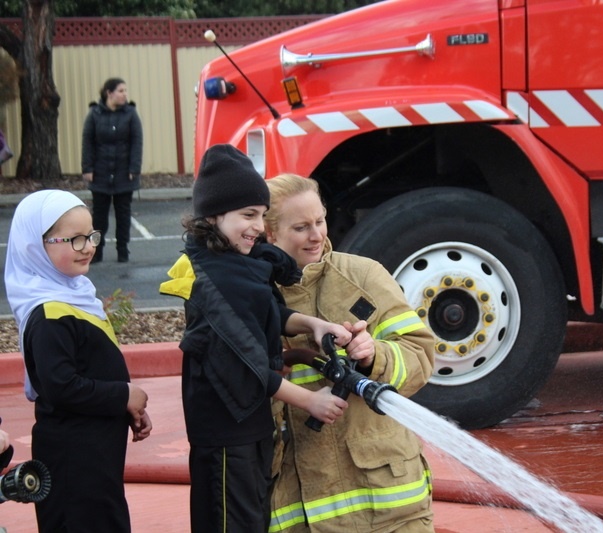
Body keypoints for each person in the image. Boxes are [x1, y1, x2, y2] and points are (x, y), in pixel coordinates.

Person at [159, 145, 353, 533]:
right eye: (247, 215)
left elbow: (263, 312)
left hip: (248, 423)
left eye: (262, 215)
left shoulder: (231, 262)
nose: (257, 227)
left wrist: (312, 324)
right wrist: (311, 400)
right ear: (212, 216)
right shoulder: (217, 280)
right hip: (228, 434)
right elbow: (245, 363)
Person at [264, 173, 436, 532]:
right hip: (298, 509)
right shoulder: (254, 295)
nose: (316, 235)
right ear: (270, 234)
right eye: (301, 227)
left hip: (388, 507)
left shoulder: (363, 277)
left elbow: (420, 357)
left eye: (320, 221)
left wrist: (376, 356)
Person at [4, 189, 152, 531]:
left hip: (96, 454)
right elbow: (60, 386)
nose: (88, 246)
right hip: (74, 459)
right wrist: (122, 395)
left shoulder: (75, 295)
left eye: (91, 235)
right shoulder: (48, 313)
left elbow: (92, 367)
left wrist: (125, 407)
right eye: (74, 239)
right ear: (36, 247)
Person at [81, 77, 143, 263]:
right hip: (100, 174)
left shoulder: (131, 114)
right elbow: (87, 143)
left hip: (124, 174)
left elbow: (137, 143)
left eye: (125, 91)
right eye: (121, 91)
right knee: (99, 217)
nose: (125, 94)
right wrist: (88, 168)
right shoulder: (94, 114)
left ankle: (122, 250)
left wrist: (134, 168)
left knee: (123, 215)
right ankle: (96, 251)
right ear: (109, 93)